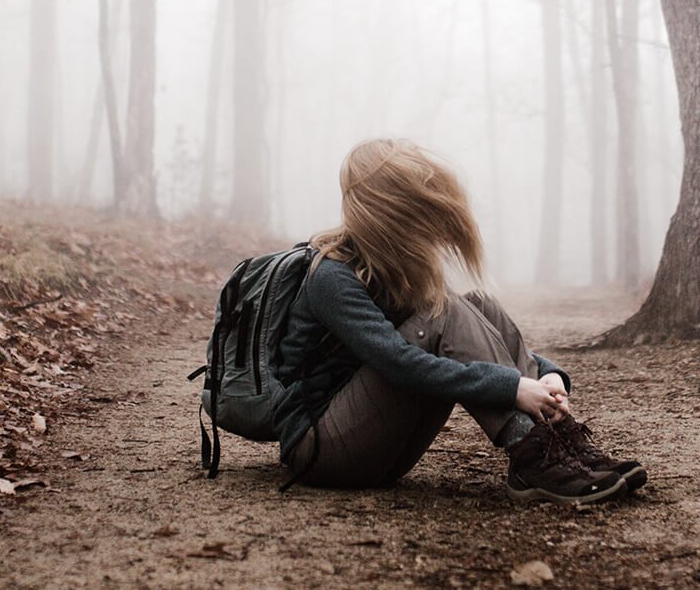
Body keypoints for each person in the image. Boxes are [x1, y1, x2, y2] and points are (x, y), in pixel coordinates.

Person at [272, 138, 644, 505]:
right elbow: (398, 363)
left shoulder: (395, 267)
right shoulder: (332, 276)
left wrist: (549, 376)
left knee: (480, 304)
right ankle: (532, 458)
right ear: (384, 208)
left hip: (377, 448)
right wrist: (513, 387)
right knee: (444, 310)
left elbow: (470, 341)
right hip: (321, 450)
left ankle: (562, 444)